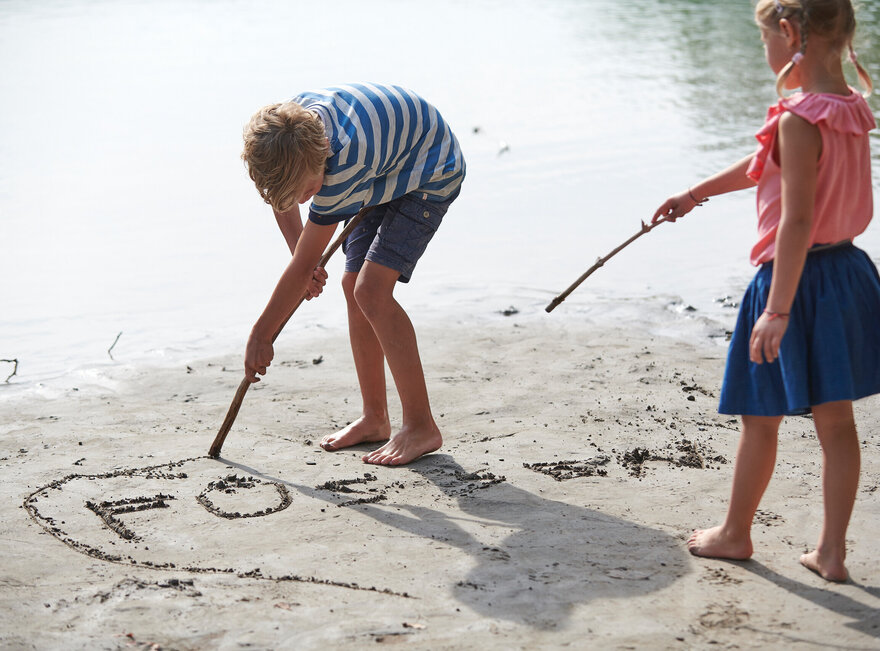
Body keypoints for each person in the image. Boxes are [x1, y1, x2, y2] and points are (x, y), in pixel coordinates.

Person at [653, 0, 880, 582]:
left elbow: (796, 221)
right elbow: (764, 164)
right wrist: (695, 191)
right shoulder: (850, 107)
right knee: (837, 422)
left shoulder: (798, 118)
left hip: (792, 281)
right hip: (848, 273)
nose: (766, 53)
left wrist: (776, 309)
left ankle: (734, 533)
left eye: (764, 42)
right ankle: (831, 552)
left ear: (788, 34)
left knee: (759, 416)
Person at [241, 83, 465, 466]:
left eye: (307, 191)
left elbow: (301, 266)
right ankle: (375, 418)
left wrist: (261, 335)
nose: (301, 202)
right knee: (353, 286)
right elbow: (285, 202)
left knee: (372, 292)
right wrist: (306, 259)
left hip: (429, 169)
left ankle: (421, 426)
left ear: (323, 161)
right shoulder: (288, 133)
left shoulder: (342, 170)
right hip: (384, 167)